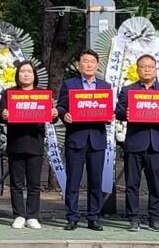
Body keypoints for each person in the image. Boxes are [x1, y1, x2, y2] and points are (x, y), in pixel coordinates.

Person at [114, 54, 159, 232]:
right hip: (135, 143)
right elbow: (118, 112)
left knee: (155, 184)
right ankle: (133, 218)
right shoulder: (128, 90)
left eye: (150, 67)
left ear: (155, 69)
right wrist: (126, 113)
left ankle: (155, 218)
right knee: (132, 184)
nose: (147, 69)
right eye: (143, 66)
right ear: (137, 69)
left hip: (156, 144)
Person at [0, 60, 58, 229]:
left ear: (34, 75)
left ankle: (32, 216)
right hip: (16, 142)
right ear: (18, 74)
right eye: (23, 71)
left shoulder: (42, 94)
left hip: (35, 142)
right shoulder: (9, 93)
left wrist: (54, 114)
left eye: (29, 71)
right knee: (16, 182)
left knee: (34, 183)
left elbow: (52, 117)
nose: (26, 74)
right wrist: (4, 114)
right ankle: (18, 215)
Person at [56, 49, 113, 231]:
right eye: (85, 61)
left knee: (96, 182)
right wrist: (65, 115)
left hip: (97, 140)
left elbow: (108, 110)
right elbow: (61, 107)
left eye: (92, 62)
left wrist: (110, 116)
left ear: (97, 65)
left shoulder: (105, 86)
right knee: (73, 181)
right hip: (76, 138)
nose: (88, 65)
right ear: (79, 64)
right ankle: (72, 217)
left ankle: (93, 217)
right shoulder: (69, 84)